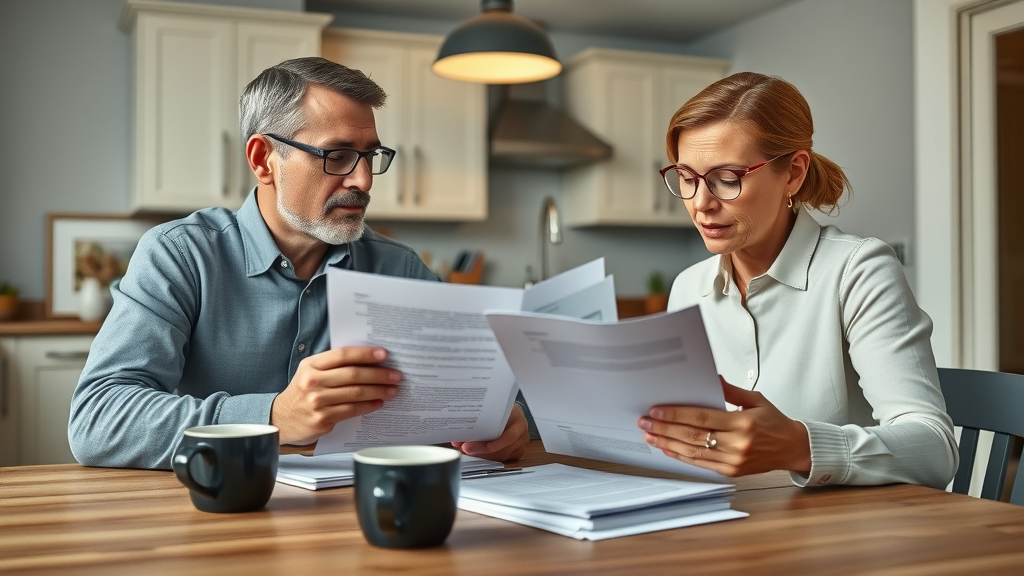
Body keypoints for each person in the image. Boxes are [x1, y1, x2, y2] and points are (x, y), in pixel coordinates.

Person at [69, 57, 529, 469]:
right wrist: (272, 417)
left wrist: (506, 422)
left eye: (370, 156)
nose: (364, 180)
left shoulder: (399, 267)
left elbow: (491, 391)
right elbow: (97, 419)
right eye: (338, 155)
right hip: (220, 514)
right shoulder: (180, 255)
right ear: (264, 159)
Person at [638, 72, 958, 489]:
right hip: (725, 523)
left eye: (727, 178)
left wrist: (800, 446)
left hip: (833, 537)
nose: (701, 203)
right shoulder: (687, 287)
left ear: (792, 172)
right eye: (687, 177)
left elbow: (935, 449)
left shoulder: (858, 271)